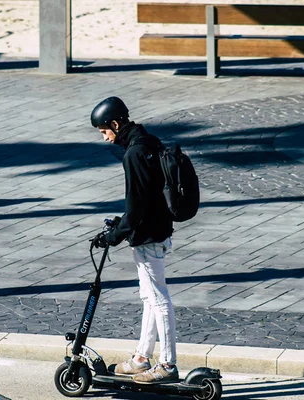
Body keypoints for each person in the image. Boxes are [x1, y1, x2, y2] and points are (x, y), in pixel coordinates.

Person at [90, 96, 179, 384]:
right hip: (157, 228)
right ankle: (142, 358)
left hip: (149, 235)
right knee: (150, 298)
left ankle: (167, 365)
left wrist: (115, 235)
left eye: (105, 131)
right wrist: (122, 224)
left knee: (158, 298)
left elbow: (137, 206)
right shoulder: (149, 141)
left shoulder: (134, 154)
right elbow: (146, 198)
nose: (105, 138)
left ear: (116, 123)